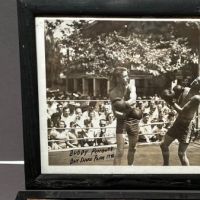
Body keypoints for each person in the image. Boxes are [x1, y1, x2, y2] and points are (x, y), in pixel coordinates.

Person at [160, 76, 200, 166]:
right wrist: (171, 96)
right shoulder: (185, 89)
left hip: (187, 126)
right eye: (196, 79)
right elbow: (176, 101)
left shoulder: (197, 98)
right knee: (163, 145)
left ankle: (188, 176)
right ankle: (166, 167)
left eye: (198, 82)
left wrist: (170, 101)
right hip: (178, 122)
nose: (195, 82)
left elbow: (181, 111)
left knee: (181, 154)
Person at [109, 67, 142, 165]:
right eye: (124, 76)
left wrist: (122, 104)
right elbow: (115, 112)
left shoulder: (131, 86)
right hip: (121, 120)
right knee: (120, 151)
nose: (127, 78)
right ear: (118, 78)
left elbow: (133, 100)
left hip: (133, 119)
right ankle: (115, 175)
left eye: (127, 75)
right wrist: (122, 111)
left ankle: (130, 169)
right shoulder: (113, 92)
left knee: (133, 148)